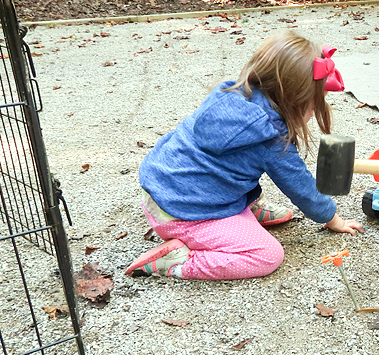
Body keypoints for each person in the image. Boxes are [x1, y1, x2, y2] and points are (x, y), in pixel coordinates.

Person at [125, 31, 363, 280]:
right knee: (267, 254)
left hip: (161, 187)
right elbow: (301, 187)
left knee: (224, 166)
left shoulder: (231, 93)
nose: (314, 113)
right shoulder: (270, 137)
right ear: (296, 102)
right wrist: (332, 218)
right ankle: (176, 261)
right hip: (184, 211)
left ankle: (242, 206)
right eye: (313, 106)